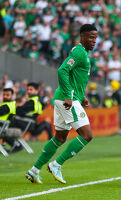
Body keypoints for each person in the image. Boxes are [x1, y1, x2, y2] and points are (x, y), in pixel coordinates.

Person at [25, 24, 98, 184]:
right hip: (67, 100)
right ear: (82, 36)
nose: (94, 41)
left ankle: (34, 170)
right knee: (87, 135)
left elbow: (74, 77)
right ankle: (56, 165)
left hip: (66, 98)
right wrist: (69, 95)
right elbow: (62, 70)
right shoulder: (79, 52)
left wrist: (82, 96)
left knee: (59, 138)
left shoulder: (83, 53)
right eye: (91, 37)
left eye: (96, 37)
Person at [0, 88, 23, 153]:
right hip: (4, 128)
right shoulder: (11, 105)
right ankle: (17, 145)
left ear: (12, 96)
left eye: (7, 95)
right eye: (4, 94)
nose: (5, 96)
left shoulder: (6, 106)